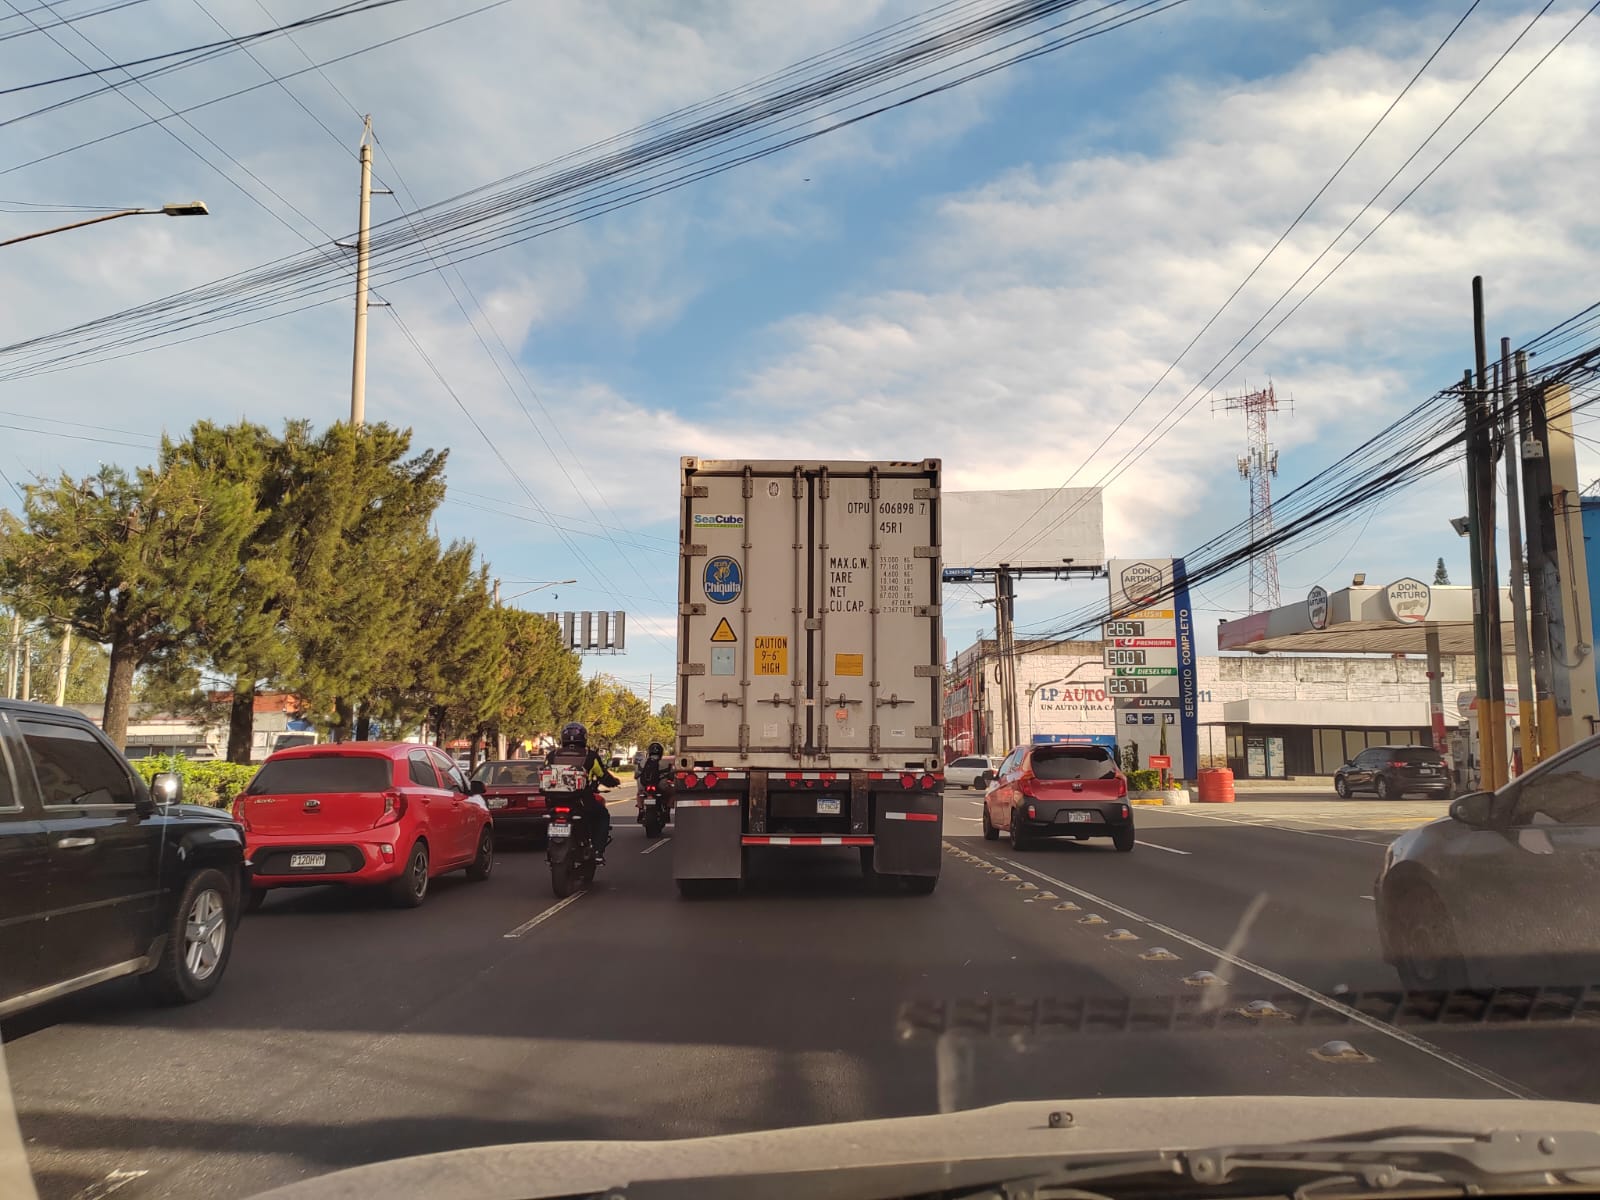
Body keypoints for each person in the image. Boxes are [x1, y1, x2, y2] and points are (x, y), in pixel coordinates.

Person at [548, 721, 620, 861]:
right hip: (582, 801)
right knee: (603, 816)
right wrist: (613, 782)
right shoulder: (590, 756)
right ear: (584, 738)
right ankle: (597, 851)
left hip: (554, 800)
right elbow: (602, 775)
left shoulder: (552, 755)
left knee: (548, 819)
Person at [636, 741, 668, 819]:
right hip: (660, 786)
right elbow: (671, 774)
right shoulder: (665, 763)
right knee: (671, 793)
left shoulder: (642, 762)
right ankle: (667, 810)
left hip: (644, 785)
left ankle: (640, 809)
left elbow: (636, 774)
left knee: (639, 794)